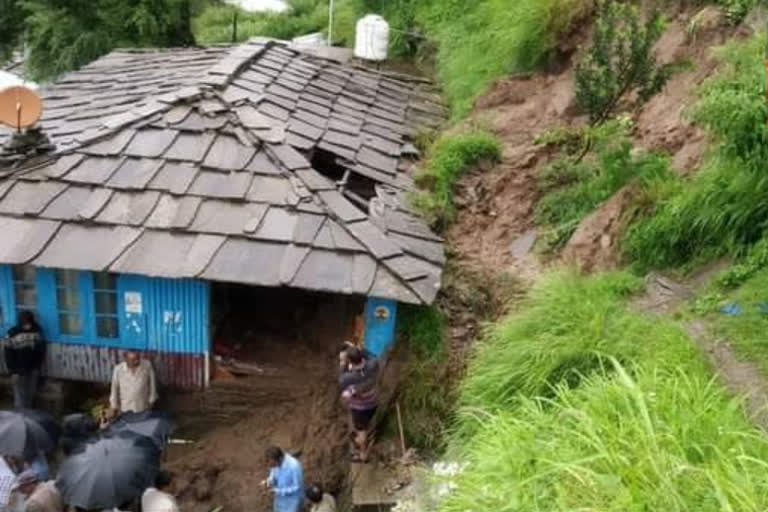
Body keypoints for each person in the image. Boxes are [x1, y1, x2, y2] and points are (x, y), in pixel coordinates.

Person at [338, 343, 379, 463]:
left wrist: (342, 363)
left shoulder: (348, 377)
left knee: (361, 431)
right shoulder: (373, 365)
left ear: (349, 361)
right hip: (373, 401)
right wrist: (359, 349)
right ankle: (364, 433)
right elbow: (372, 356)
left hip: (359, 408)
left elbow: (341, 381)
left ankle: (362, 454)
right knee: (367, 421)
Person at [4, 311, 45, 409]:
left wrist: (37, 366)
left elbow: (40, 350)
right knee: (19, 398)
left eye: (29, 323)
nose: (28, 326)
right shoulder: (12, 334)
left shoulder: (36, 331)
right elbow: (8, 355)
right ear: (21, 322)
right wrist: (13, 371)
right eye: (26, 324)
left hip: (33, 369)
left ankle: (29, 415)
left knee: (30, 395)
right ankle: (20, 416)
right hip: (18, 371)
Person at [108, 351, 158, 418]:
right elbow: (114, 390)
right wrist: (114, 407)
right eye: (133, 360)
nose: (137, 361)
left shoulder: (147, 365)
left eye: (138, 358)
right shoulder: (118, 370)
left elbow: (152, 386)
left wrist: (151, 402)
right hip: (125, 409)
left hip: (143, 408)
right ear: (125, 358)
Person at [261, 446, 303, 512]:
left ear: (280, 459)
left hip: (293, 501)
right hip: (279, 498)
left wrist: (278, 491)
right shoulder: (274, 463)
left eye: (273, 464)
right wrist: (268, 482)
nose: (271, 466)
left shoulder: (294, 466)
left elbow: (297, 487)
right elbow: (273, 475)